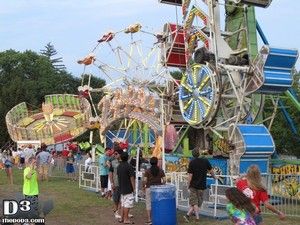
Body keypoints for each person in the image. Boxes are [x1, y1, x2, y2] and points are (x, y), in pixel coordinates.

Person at [183, 149, 216, 222]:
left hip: (193, 186)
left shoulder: (192, 162)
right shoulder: (205, 161)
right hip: (202, 186)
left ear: (193, 155)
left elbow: (190, 176)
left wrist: (188, 185)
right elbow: (211, 171)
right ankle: (196, 218)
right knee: (197, 203)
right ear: (199, 153)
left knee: (195, 203)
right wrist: (215, 177)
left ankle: (188, 215)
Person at [142, 157, 166, 225]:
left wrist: (143, 186)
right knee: (158, 203)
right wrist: (162, 186)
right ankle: (157, 217)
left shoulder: (147, 171)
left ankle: (149, 219)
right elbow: (164, 180)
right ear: (157, 162)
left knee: (148, 204)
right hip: (158, 189)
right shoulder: (161, 170)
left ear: (150, 163)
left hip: (149, 188)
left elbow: (145, 180)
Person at [117, 151, 135, 224]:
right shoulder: (129, 166)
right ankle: (126, 219)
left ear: (121, 158)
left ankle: (122, 218)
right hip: (128, 188)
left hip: (121, 187)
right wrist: (134, 188)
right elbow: (132, 178)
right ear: (127, 158)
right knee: (127, 204)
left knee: (123, 204)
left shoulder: (119, 166)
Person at [109, 147, 123, 219]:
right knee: (116, 198)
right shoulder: (113, 162)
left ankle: (120, 211)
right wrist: (112, 183)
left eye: (116, 154)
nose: (114, 155)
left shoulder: (125, 162)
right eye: (114, 154)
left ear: (120, 154)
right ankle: (116, 211)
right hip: (116, 183)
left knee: (122, 198)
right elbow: (110, 173)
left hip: (124, 183)